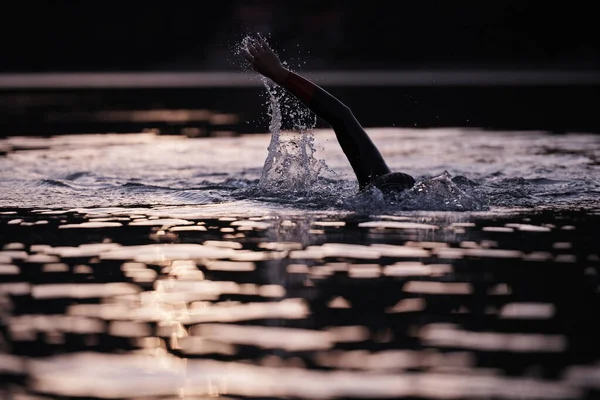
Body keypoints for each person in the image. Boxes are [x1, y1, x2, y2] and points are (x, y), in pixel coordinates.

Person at [241, 35, 415, 194]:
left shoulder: (375, 189)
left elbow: (341, 117)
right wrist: (282, 75)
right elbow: (342, 117)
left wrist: (282, 75)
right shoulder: (379, 187)